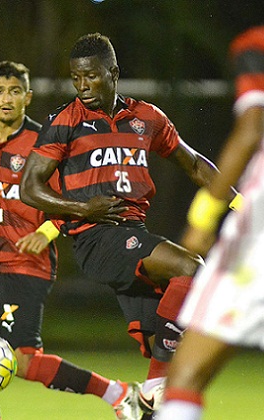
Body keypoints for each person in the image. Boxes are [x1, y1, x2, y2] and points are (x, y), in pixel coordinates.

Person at [19, 33, 241, 418]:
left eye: (91, 77)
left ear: (113, 73)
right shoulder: (65, 122)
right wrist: (82, 210)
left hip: (131, 237)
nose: (83, 86)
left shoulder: (147, 118)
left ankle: (146, 402)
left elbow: (193, 164)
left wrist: (241, 203)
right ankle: (154, 387)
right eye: (76, 78)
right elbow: (29, 188)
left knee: (167, 336)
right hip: (96, 238)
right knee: (191, 269)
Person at [0, 61, 142, 420]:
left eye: (15, 91)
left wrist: (46, 232)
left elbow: (71, 197)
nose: (7, 98)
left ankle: (117, 393)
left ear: (27, 98)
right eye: (0, 91)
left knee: (24, 361)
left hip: (30, 267)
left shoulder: (42, 142)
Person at [157, 26, 264, 420]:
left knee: (184, 378)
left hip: (256, 244)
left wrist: (203, 217)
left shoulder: (255, 46)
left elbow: (251, 130)